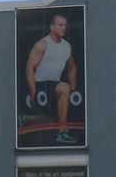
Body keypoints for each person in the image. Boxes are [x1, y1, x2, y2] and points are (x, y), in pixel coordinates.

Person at [23, 11, 79, 144]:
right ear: (52, 27)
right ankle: (62, 132)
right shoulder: (42, 44)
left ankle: (26, 119)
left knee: (53, 118)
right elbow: (29, 68)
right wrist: (33, 92)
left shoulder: (67, 46)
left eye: (65, 25)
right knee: (64, 88)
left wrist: (74, 90)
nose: (64, 28)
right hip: (41, 84)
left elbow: (72, 67)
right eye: (60, 25)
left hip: (55, 84)